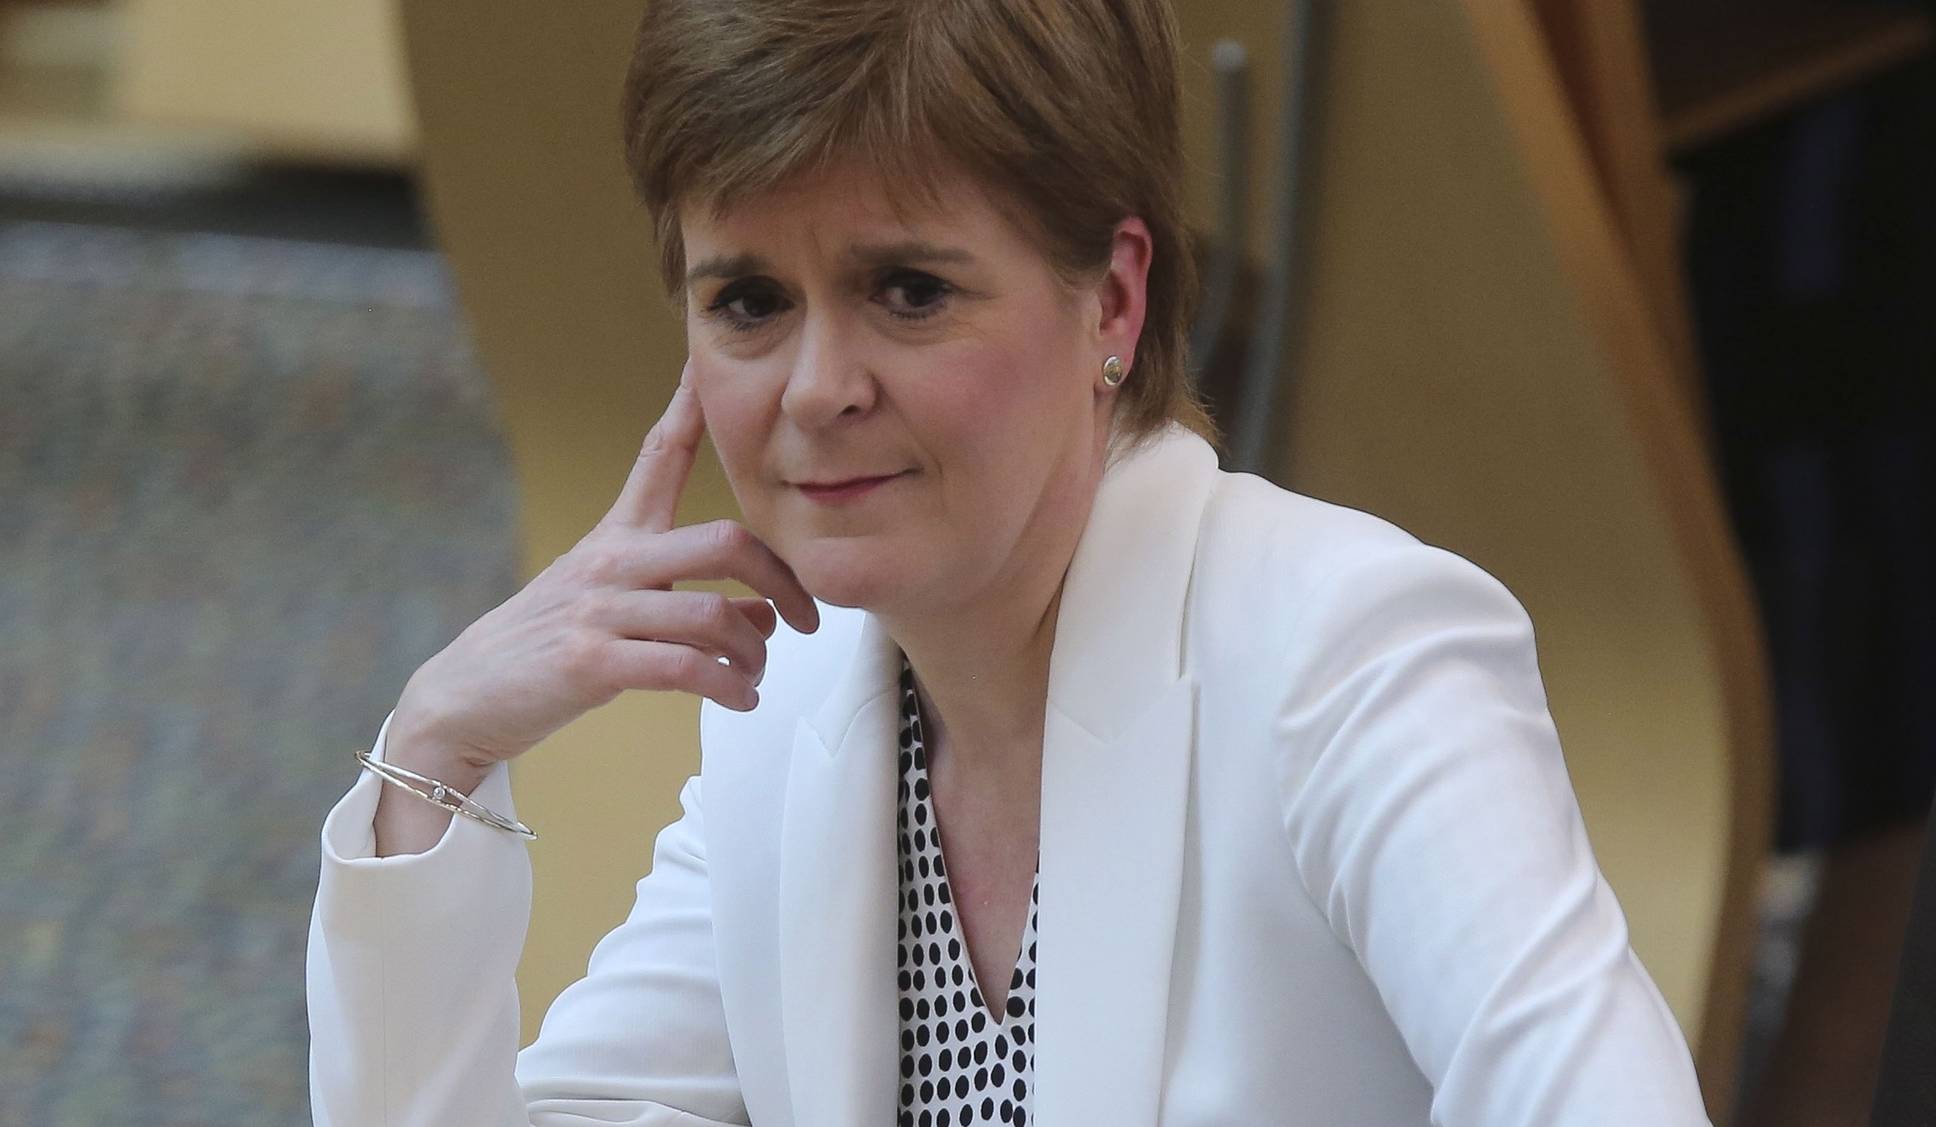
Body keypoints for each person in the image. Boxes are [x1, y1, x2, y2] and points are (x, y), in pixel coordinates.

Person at [305, 1, 1712, 1123]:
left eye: (907, 292)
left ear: (1112, 296)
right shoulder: (793, 711)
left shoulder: (1350, 658)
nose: (815, 387)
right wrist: (435, 753)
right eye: (748, 301)